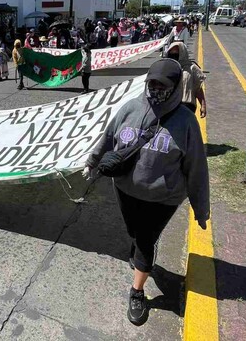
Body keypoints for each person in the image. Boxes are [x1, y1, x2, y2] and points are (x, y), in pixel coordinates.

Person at [83, 58, 209, 326]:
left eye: (162, 85)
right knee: (134, 231)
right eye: (152, 83)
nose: (156, 89)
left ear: (175, 87)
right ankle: (139, 246)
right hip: (125, 190)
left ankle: (137, 291)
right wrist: (92, 162)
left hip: (163, 198)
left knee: (145, 240)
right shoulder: (129, 108)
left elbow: (197, 168)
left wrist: (201, 208)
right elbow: (108, 137)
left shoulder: (186, 122)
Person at [165, 42, 207, 117]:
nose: (173, 57)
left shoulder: (192, 69)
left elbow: (198, 89)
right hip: (170, 107)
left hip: (187, 106)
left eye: (176, 54)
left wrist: (203, 106)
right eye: (171, 54)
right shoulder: (166, 68)